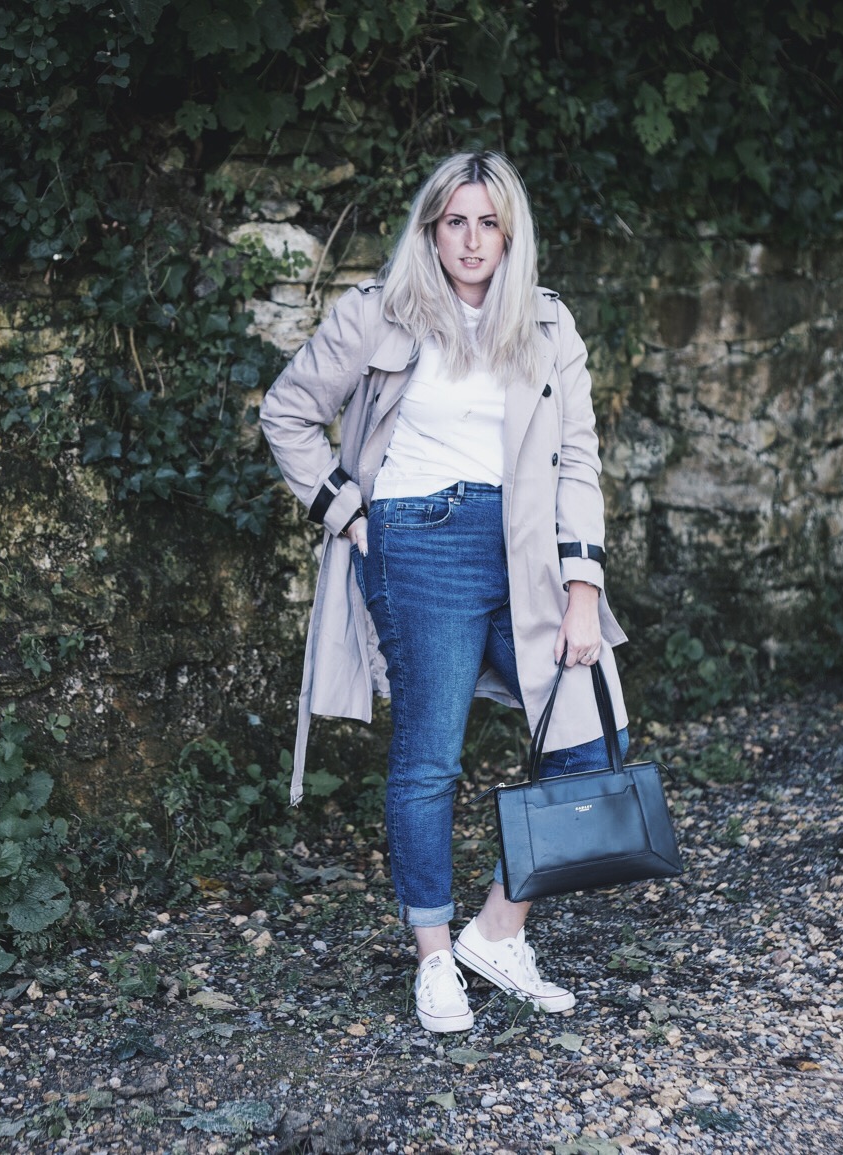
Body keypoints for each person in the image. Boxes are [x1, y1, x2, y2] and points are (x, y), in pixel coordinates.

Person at [260, 151, 631, 1033]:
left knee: (591, 739)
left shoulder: (547, 325)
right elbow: (287, 412)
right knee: (430, 759)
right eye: (454, 221)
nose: (471, 240)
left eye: (487, 223)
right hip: (417, 544)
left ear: (510, 234)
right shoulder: (379, 313)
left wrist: (583, 583)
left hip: (525, 553)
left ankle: (498, 931)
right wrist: (350, 515)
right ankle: (434, 958)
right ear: (430, 229)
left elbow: (578, 459)